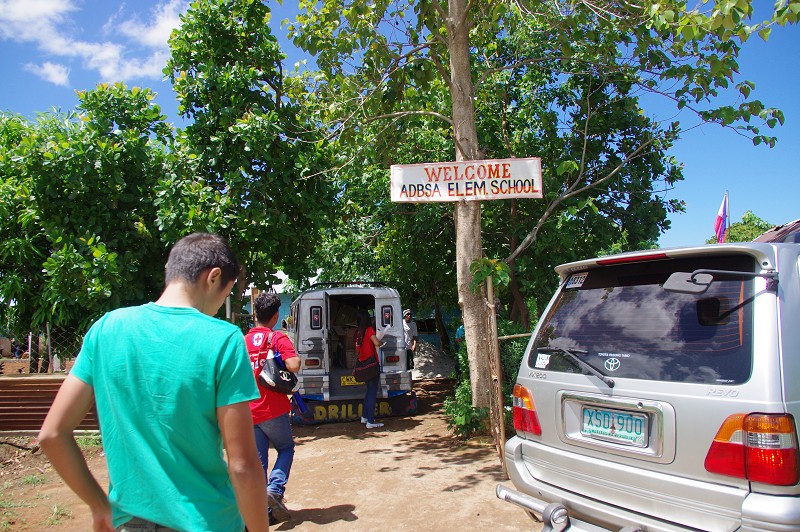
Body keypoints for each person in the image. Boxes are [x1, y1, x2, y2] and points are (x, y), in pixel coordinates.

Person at [38, 233, 269, 532]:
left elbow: (52, 434)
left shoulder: (106, 329)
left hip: (129, 523)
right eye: (226, 293)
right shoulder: (223, 339)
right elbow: (243, 465)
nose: (219, 305)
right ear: (213, 278)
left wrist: (98, 506)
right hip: (208, 521)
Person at [245, 292, 300, 525]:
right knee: (286, 448)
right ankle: (275, 489)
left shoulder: (241, 340)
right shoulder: (276, 337)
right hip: (273, 408)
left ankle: (263, 513)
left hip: (248, 410)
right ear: (276, 315)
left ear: (255, 314)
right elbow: (294, 365)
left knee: (259, 462)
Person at [355, 309, 383, 429]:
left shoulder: (357, 332)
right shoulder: (369, 330)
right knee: (372, 393)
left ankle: (364, 417)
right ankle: (370, 421)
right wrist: (381, 341)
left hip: (363, 364)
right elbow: (377, 343)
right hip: (372, 365)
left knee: (368, 391)